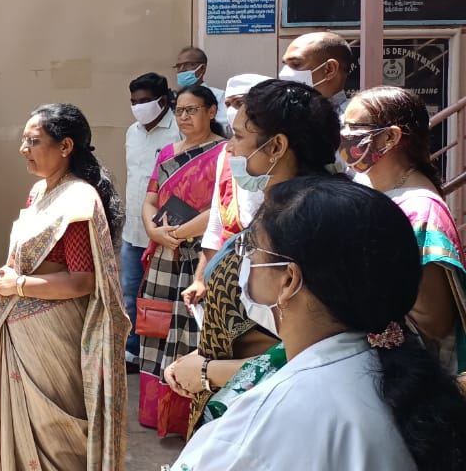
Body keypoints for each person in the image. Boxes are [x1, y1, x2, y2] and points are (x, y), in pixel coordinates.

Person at [170, 177, 466, 470]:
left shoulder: (272, 418)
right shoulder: (400, 379)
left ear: (289, 280)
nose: (244, 264)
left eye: (251, 250)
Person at [0, 103, 128, 471]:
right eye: (23, 140)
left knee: (55, 435)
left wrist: (18, 285)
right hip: (22, 329)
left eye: (33, 141)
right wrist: (2, 276)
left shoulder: (78, 200)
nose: (24, 149)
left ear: (65, 146)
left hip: (55, 336)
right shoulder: (39, 192)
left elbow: (82, 281)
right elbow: (27, 258)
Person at [165, 80, 340, 436]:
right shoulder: (276, 212)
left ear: (276, 146)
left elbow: (314, 349)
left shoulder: (306, 224)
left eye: (239, 136)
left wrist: (208, 372)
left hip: (274, 415)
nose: (229, 147)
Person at [343, 86, 466, 376]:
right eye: (343, 125)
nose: (344, 135)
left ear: (390, 137)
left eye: (354, 127)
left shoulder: (420, 212)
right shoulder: (376, 191)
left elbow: (434, 323)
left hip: (407, 375)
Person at [137, 85, 225, 436]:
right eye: (179, 111)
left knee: (192, 329)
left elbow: (221, 207)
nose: (184, 117)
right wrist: (153, 230)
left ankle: (186, 416)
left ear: (211, 112)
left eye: (192, 110)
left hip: (200, 254)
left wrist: (179, 232)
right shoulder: (166, 152)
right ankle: (154, 411)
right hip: (163, 252)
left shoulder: (223, 152)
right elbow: (150, 199)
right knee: (156, 327)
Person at [191, 74, 271, 298]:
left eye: (240, 102)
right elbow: (216, 222)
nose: (234, 110)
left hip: (267, 270)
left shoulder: (278, 155)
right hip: (228, 268)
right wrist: (202, 278)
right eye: (229, 104)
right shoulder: (226, 155)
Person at [122, 73, 180, 372]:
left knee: (164, 296)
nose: (138, 107)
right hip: (133, 229)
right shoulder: (132, 132)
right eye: (134, 102)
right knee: (130, 294)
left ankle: (165, 353)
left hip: (166, 229)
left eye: (145, 101)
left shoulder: (179, 130)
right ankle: (133, 350)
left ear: (163, 100)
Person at [279, 31, 354, 116]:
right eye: (285, 64)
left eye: (296, 64)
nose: (284, 73)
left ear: (330, 69)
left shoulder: (353, 119)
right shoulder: (282, 114)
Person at [172, 46, 228, 131]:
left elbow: (225, 128)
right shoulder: (174, 98)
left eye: (188, 65)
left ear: (202, 68)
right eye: (178, 66)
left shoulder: (219, 96)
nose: (182, 69)